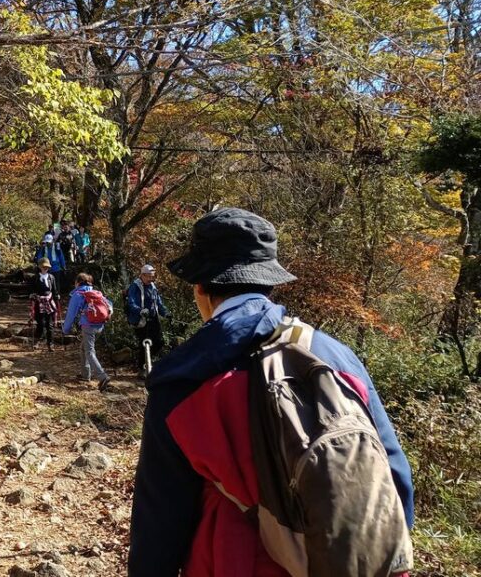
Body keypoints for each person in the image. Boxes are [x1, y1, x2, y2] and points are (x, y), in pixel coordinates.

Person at [128, 208, 413, 577]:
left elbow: (161, 521)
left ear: (200, 287)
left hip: (230, 560)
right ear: (269, 282)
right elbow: (395, 475)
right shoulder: (335, 356)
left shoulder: (182, 380)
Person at [62, 273, 113, 391]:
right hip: (100, 325)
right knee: (84, 348)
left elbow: (71, 314)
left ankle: (102, 377)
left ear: (78, 282)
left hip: (88, 325)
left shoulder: (78, 294)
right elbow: (109, 305)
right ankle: (86, 375)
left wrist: (65, 329)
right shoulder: (96, 293)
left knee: (90, 351)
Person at [126, 264, 170, 368]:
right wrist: (140, 311)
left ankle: (146, 363)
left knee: (160, 342)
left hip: (153, 318)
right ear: (142, 275)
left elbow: (158, 302)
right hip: (141, 319)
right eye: (149, 276)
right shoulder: (135, 286)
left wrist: (165, 313)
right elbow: (131, 303)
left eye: (152, 276)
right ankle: (142, 368)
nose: (151, 279)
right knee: (144, 344)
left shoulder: (152, 286)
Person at [30, 257, 60, 351]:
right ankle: (37, 342)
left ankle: (50, 344)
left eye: (47, 267)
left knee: (49, 324)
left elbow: (54, 290)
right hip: (39, 303)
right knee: (40, 323)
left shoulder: (51, 277)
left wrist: (56, 297)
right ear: (39, 267)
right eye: (43, 267)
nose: (45, 268)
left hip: (49, 302)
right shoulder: (35, 278)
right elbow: (31, 290)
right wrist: (33, 296)